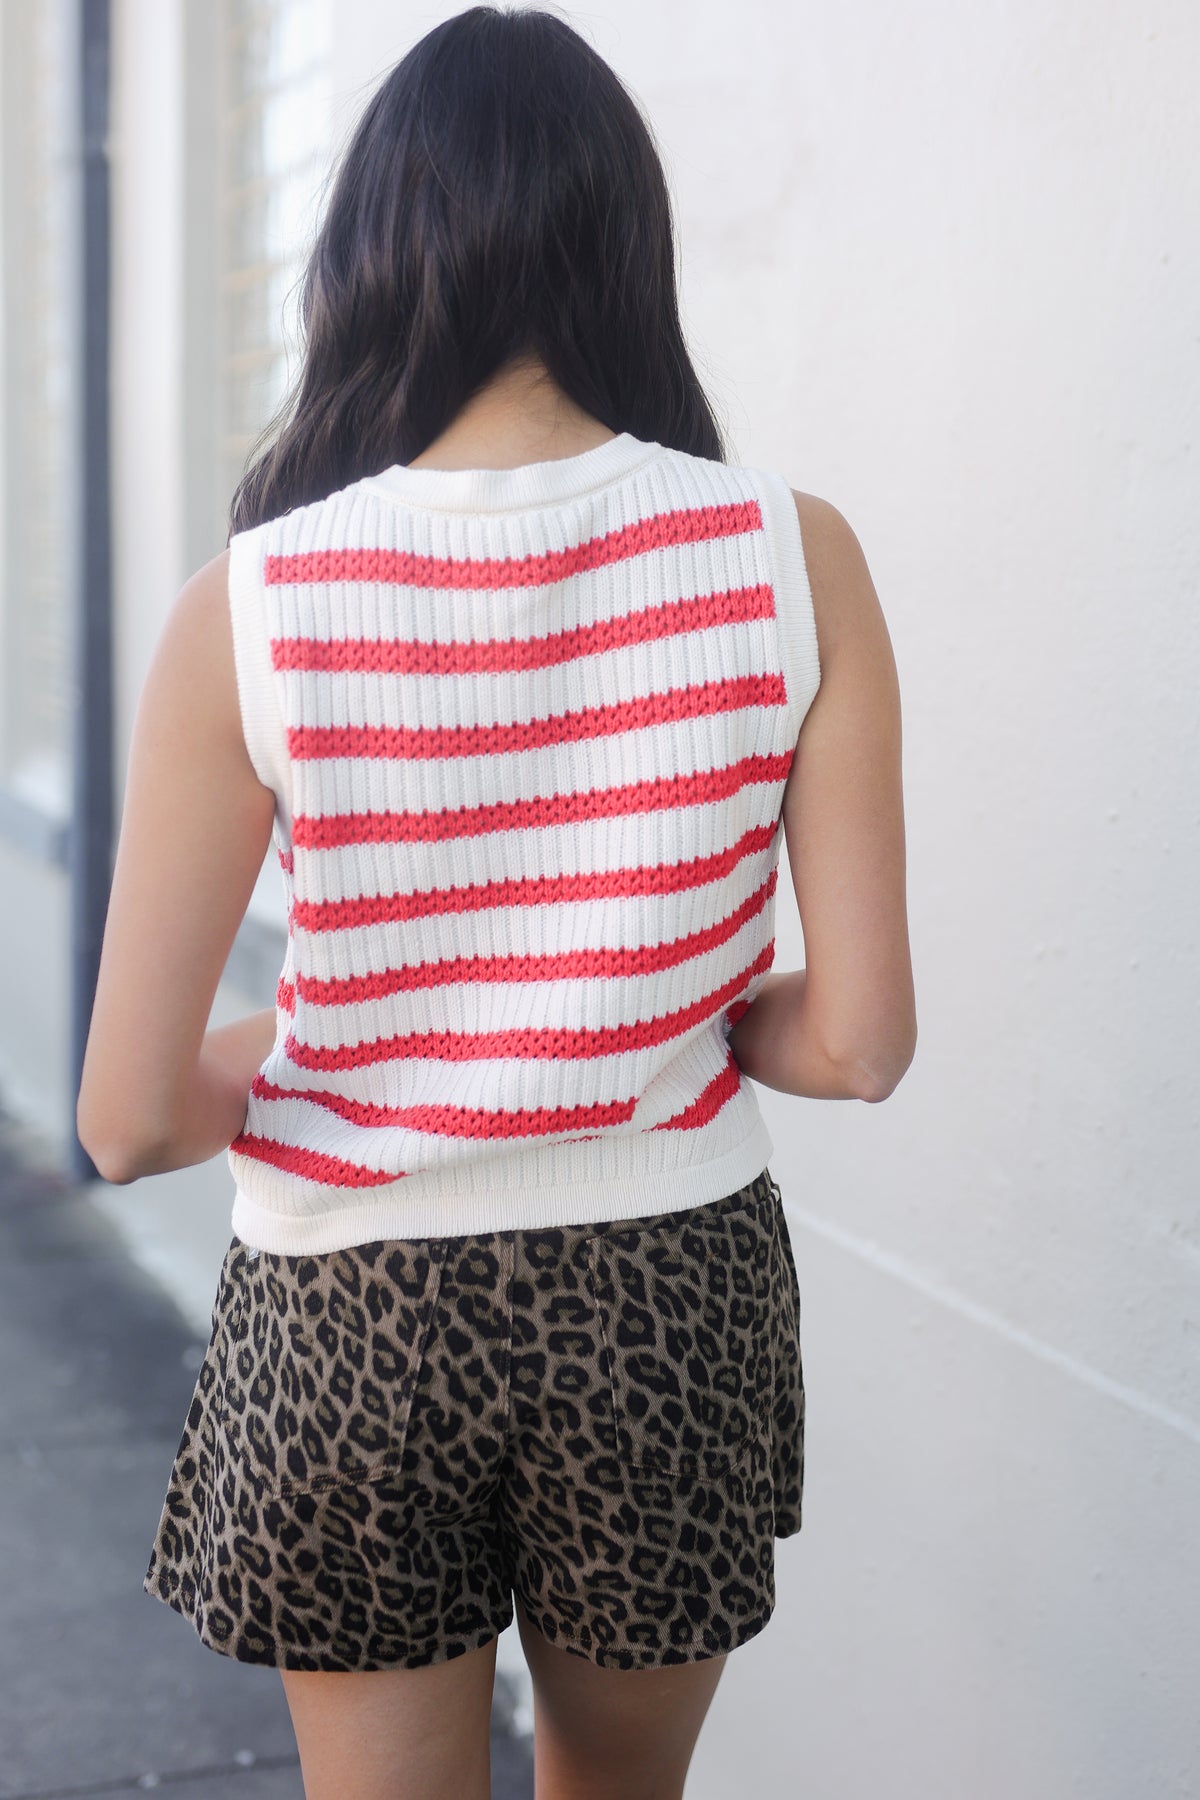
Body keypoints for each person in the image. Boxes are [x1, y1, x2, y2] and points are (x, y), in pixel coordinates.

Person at [76, 6, 916, 1796]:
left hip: (350, 1317)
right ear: (626, 242)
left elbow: (130, 1121)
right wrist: (627, 1005)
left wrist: (371, 1031)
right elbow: (855, 1044)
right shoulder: (793, 555)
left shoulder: (254, 603)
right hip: (669, 1299)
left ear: (371, 255)